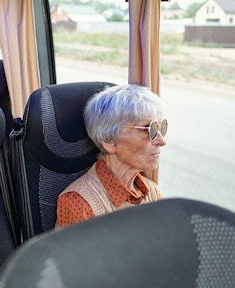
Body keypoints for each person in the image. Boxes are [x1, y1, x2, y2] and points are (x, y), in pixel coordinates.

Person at [56, 83, 167, 228]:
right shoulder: (80, 203)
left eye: (160, 128)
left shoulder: (151, 192)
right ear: (109, 141)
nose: (161, 141)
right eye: (148, 129)